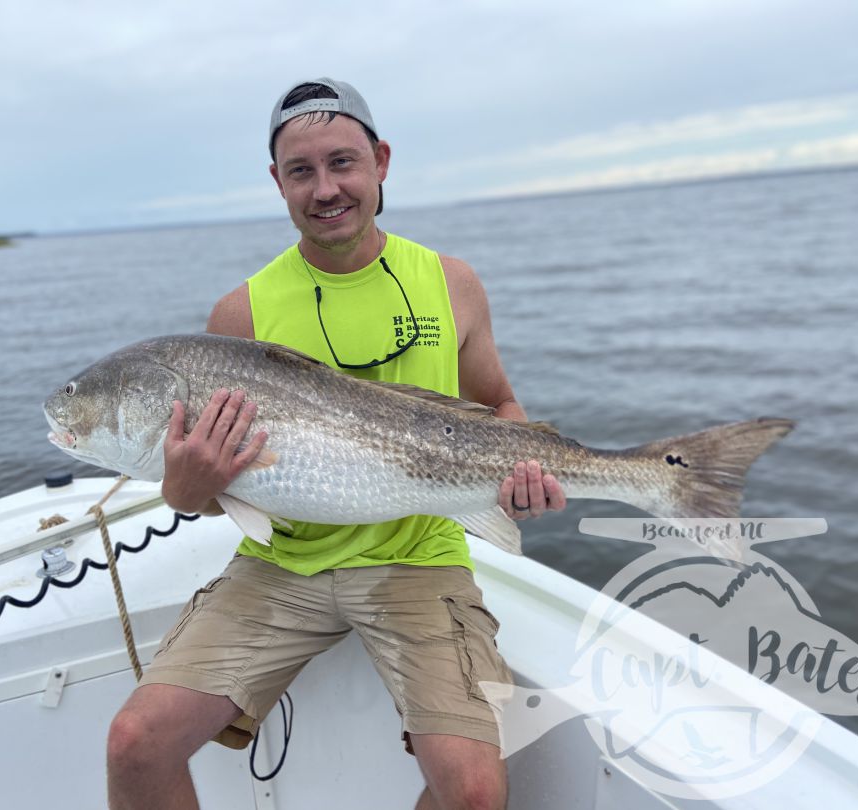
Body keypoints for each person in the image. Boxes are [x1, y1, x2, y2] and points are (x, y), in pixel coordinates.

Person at [106, 78, 565, 810]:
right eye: (301, 171)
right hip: (281, 563)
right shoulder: (241, 312)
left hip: (417, 556)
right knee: (135, 743)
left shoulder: (451, 283)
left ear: (381, 161)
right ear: (277, 183)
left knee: (475, 795)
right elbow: (236, 484)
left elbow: (498, 404)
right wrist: (187, 494)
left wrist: (523, 475)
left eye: (343, 162)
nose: (326, 189)